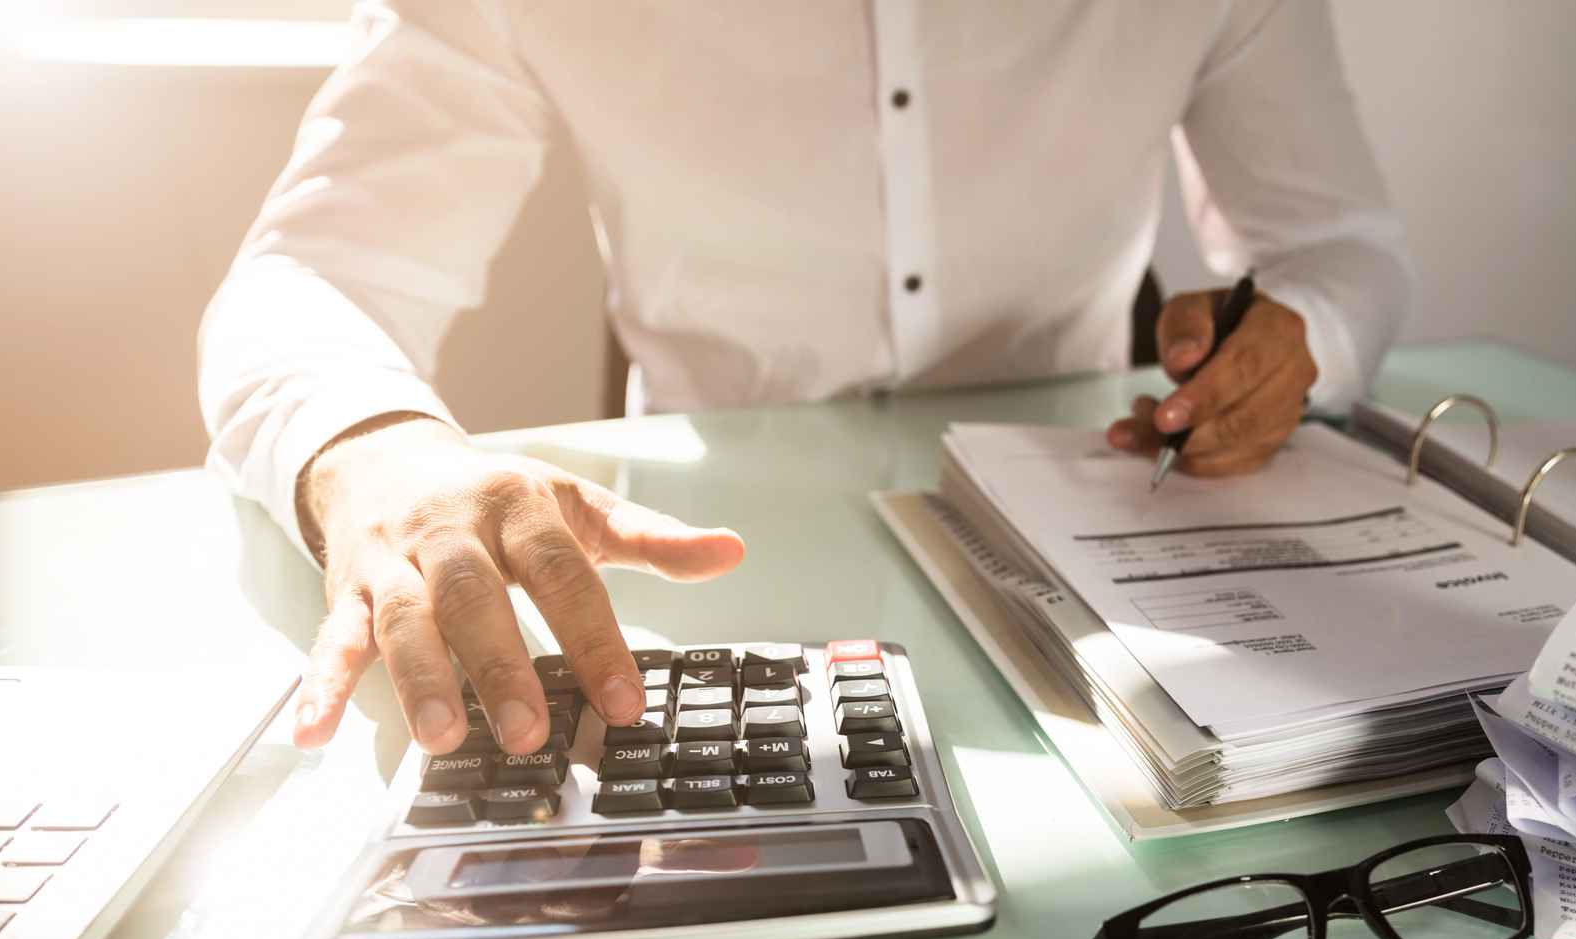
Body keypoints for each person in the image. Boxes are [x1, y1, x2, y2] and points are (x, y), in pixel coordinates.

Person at [199, 0, 1412, 757]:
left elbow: (1336, 249)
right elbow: (309, 278)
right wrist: (377, 449)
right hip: (701, 607)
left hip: (1112, 598)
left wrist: (1300, 333)